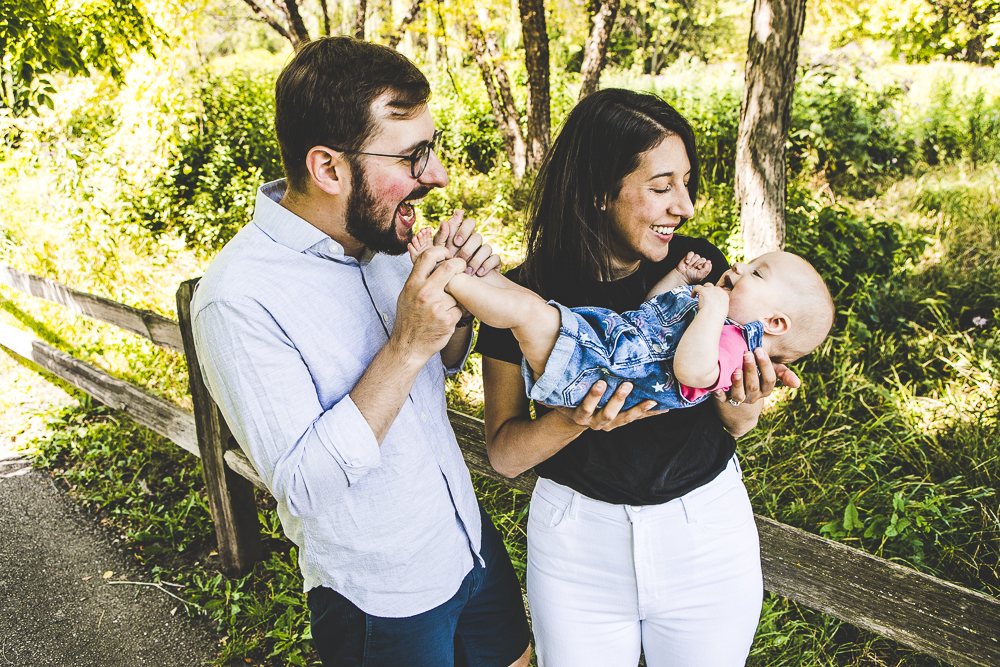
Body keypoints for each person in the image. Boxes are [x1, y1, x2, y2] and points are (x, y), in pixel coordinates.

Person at [190, 37, 531, 667]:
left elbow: (443, 361)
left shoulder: (385, 235)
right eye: (412, 157)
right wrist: (406, 344)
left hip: (467, 541)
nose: (437, 176)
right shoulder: (237, 300)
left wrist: (461, 301)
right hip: (383, 599)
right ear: (328, 168)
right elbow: (300, 486)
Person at [474, 88, 802, 667]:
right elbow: (504, 454)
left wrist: (746, 402)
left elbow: (728, 416)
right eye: (661, 187)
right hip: (577, 547)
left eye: (687, 182)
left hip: (705, 530)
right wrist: (574, 420)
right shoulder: (521, 302)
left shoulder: (699, 268)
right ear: (600, 192)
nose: (686, 206)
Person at [409, 227, 832, 412]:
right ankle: (480, 277)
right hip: (605, 344)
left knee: (527, 313)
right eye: (748, 261)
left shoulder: (734, 345)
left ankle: (445, 276)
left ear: (774, 324)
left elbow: (692, 371)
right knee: (531, 302)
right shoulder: (715, 320)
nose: (738, 267)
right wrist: (680, 278)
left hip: (598, 371)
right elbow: (652, 311)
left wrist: (713, 309)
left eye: (756, 273)